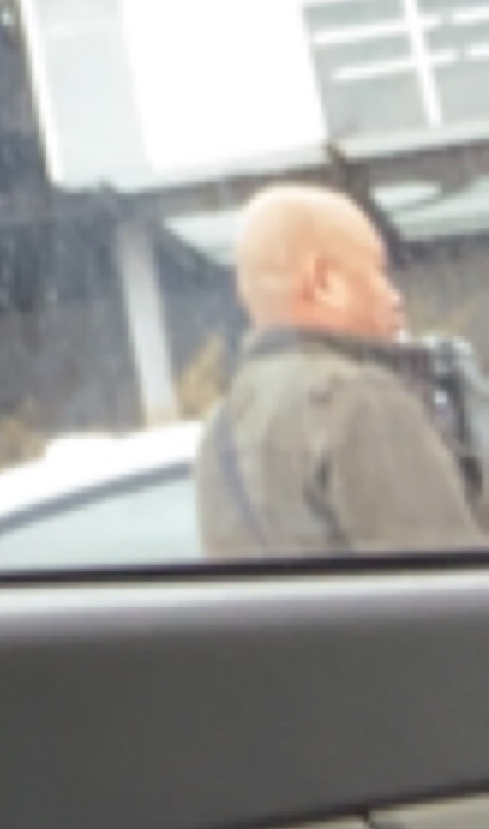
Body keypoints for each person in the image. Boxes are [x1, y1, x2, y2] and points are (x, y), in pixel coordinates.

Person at [198, 184, 488, 558]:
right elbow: (448, 578)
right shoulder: (360, 397)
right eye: (379, 272)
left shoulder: (221, 425)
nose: (395, 296)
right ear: (324, 283)